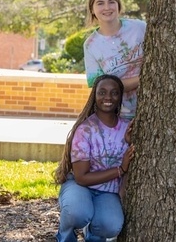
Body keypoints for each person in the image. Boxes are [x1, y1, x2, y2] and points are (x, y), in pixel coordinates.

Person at [54, 74, 135, 242]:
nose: (108, 97)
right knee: (77, 213)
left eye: (114, 93)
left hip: (107, 191)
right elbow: (82, 178)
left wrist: (128, 142)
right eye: (102, 92)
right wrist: (120, 170)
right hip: (80, 186)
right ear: (94, 96)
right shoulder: (85, 130)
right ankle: (65, 235)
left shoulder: (128, 128)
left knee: (111, 224)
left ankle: (93, 236)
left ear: (120, 97)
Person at [84, 0, 146, 120]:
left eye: (111, 2)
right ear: (92, 9)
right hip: (121, 116)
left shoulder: (140, 28)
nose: (107, 7)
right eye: (100, 3)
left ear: (118, 5)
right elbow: (101, 88)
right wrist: (145, 78)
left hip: (155, 107)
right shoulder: (91, 46)